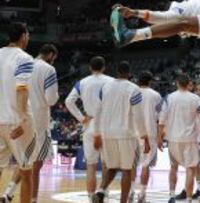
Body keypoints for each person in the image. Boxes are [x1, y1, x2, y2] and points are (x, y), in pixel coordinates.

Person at [1, 44, 59, 203]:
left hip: (14, 117)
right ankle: (32, 200)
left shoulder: (19, 63)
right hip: (36, 120)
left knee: (24, 161)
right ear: (51, 54)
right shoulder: (48, 69)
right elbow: (51, 99)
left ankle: (8, 193)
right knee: (34, 165)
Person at [93, 61, 149, 203]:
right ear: (129, 73)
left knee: (111, 167)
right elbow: (138, 116)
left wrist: (97, 133)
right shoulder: (134, 88)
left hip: (107, 133)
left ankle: (100, 191)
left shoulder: (105, 87)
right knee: (127, 170)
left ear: (116, 72)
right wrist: (144, 137)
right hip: (126, 134)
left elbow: (98, 111)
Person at [110, 0, 200, 54]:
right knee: (183, 26)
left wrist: (135, 12)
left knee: (182, 25)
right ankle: (131, 36)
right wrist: (133, 13)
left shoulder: (181, 7)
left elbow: (163, 18)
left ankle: (132, 35)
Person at [65, 56, 114, 202]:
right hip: (107, 124)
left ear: (90, 68)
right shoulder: (111, 81)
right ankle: (102, 193)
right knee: (107, 164)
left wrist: (81, 118)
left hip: (90, 124)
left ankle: (90, 197)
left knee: (91, 166)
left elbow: (69, 101)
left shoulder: (82, 82)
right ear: (104, 67)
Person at [158, 74, 200, 203]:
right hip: (190, 139)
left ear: (177, 83)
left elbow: (162, 120)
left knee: (173, 167)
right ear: (189, 84)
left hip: (173, 139)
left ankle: (171, 195)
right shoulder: (196, 98)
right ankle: (189, 199)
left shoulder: (169, 98)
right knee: (190, 169)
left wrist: (159, 138)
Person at [0, 22, 36, 203]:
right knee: (26, 170)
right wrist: (22, 118)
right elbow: (21, 88)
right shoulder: (25, 58)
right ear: (23, 36)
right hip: (16, 121)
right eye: (28, 35)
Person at [134, 71, 162, 203]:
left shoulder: (132, 93)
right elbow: (160, 118)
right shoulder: (156, 95)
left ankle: (130, 192)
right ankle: (142, 195)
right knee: (145, 165)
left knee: (132, 165)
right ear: (150, 81)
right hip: (150, 133)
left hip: (133, 133)